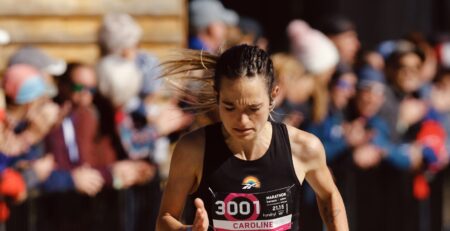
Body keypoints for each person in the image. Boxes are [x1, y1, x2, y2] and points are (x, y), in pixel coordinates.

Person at [156, 44, 348, 231]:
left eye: (253, 108)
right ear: (217, 96)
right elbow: (165, 219)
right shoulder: (193, 149)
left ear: (273, 96)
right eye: (230, 107)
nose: (242, 120)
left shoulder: (304, 147)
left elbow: (329, 195)